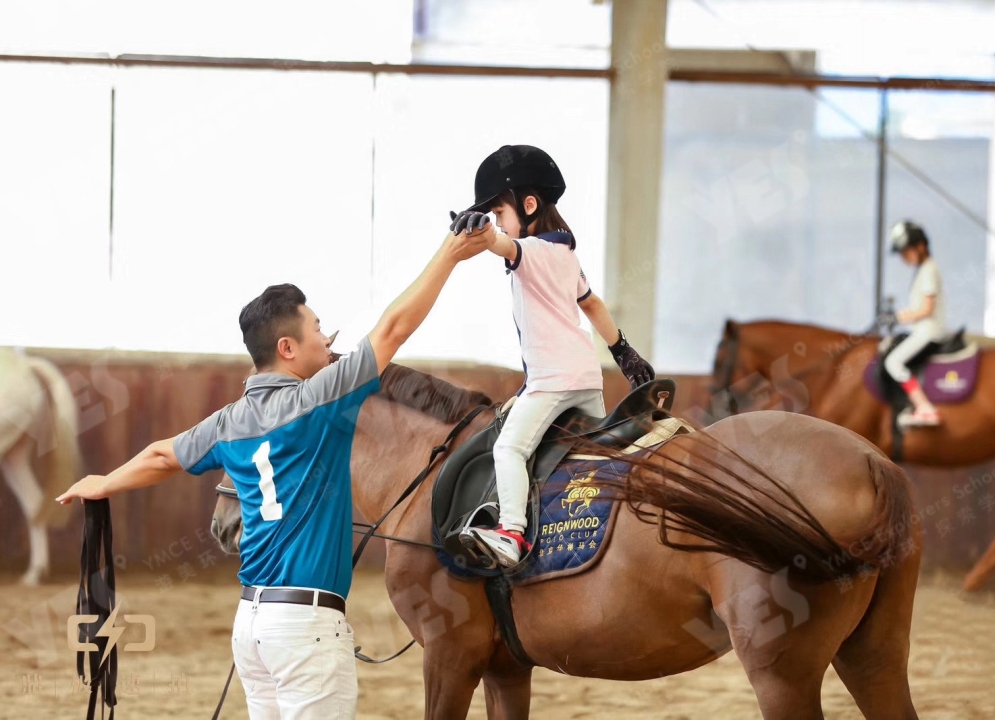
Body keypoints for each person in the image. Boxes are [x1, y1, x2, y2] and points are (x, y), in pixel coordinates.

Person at [56, 227, 491, 718]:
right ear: (287, 347)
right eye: (318, 329)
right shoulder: (319, 399)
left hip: (252, 627)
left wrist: (103, 482)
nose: (328, 341)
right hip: (305, 628)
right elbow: (393, 328)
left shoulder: (229, 421)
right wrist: (450, 254)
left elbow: (161, 456)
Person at [450, 144, 654, 567]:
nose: (497, 221)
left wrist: (483, 233)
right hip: (586, 379)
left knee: (508, 449)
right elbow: (592, 305)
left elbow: (502, 244)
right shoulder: (567, 256)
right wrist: (623, 352)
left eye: (499, 212)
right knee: (590, 456)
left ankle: (511, 533)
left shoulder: (534, 252)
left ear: (529, 205)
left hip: (552, 382)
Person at [886, 220, 948, 427]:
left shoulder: (929, 269)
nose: (904, 257)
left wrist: (901, 317)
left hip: (928, 332)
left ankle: (925, 407)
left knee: (893, 362)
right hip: (921, 330)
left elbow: (927, 309)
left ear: (921, 246)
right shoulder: (923, 269)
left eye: (906, 252)